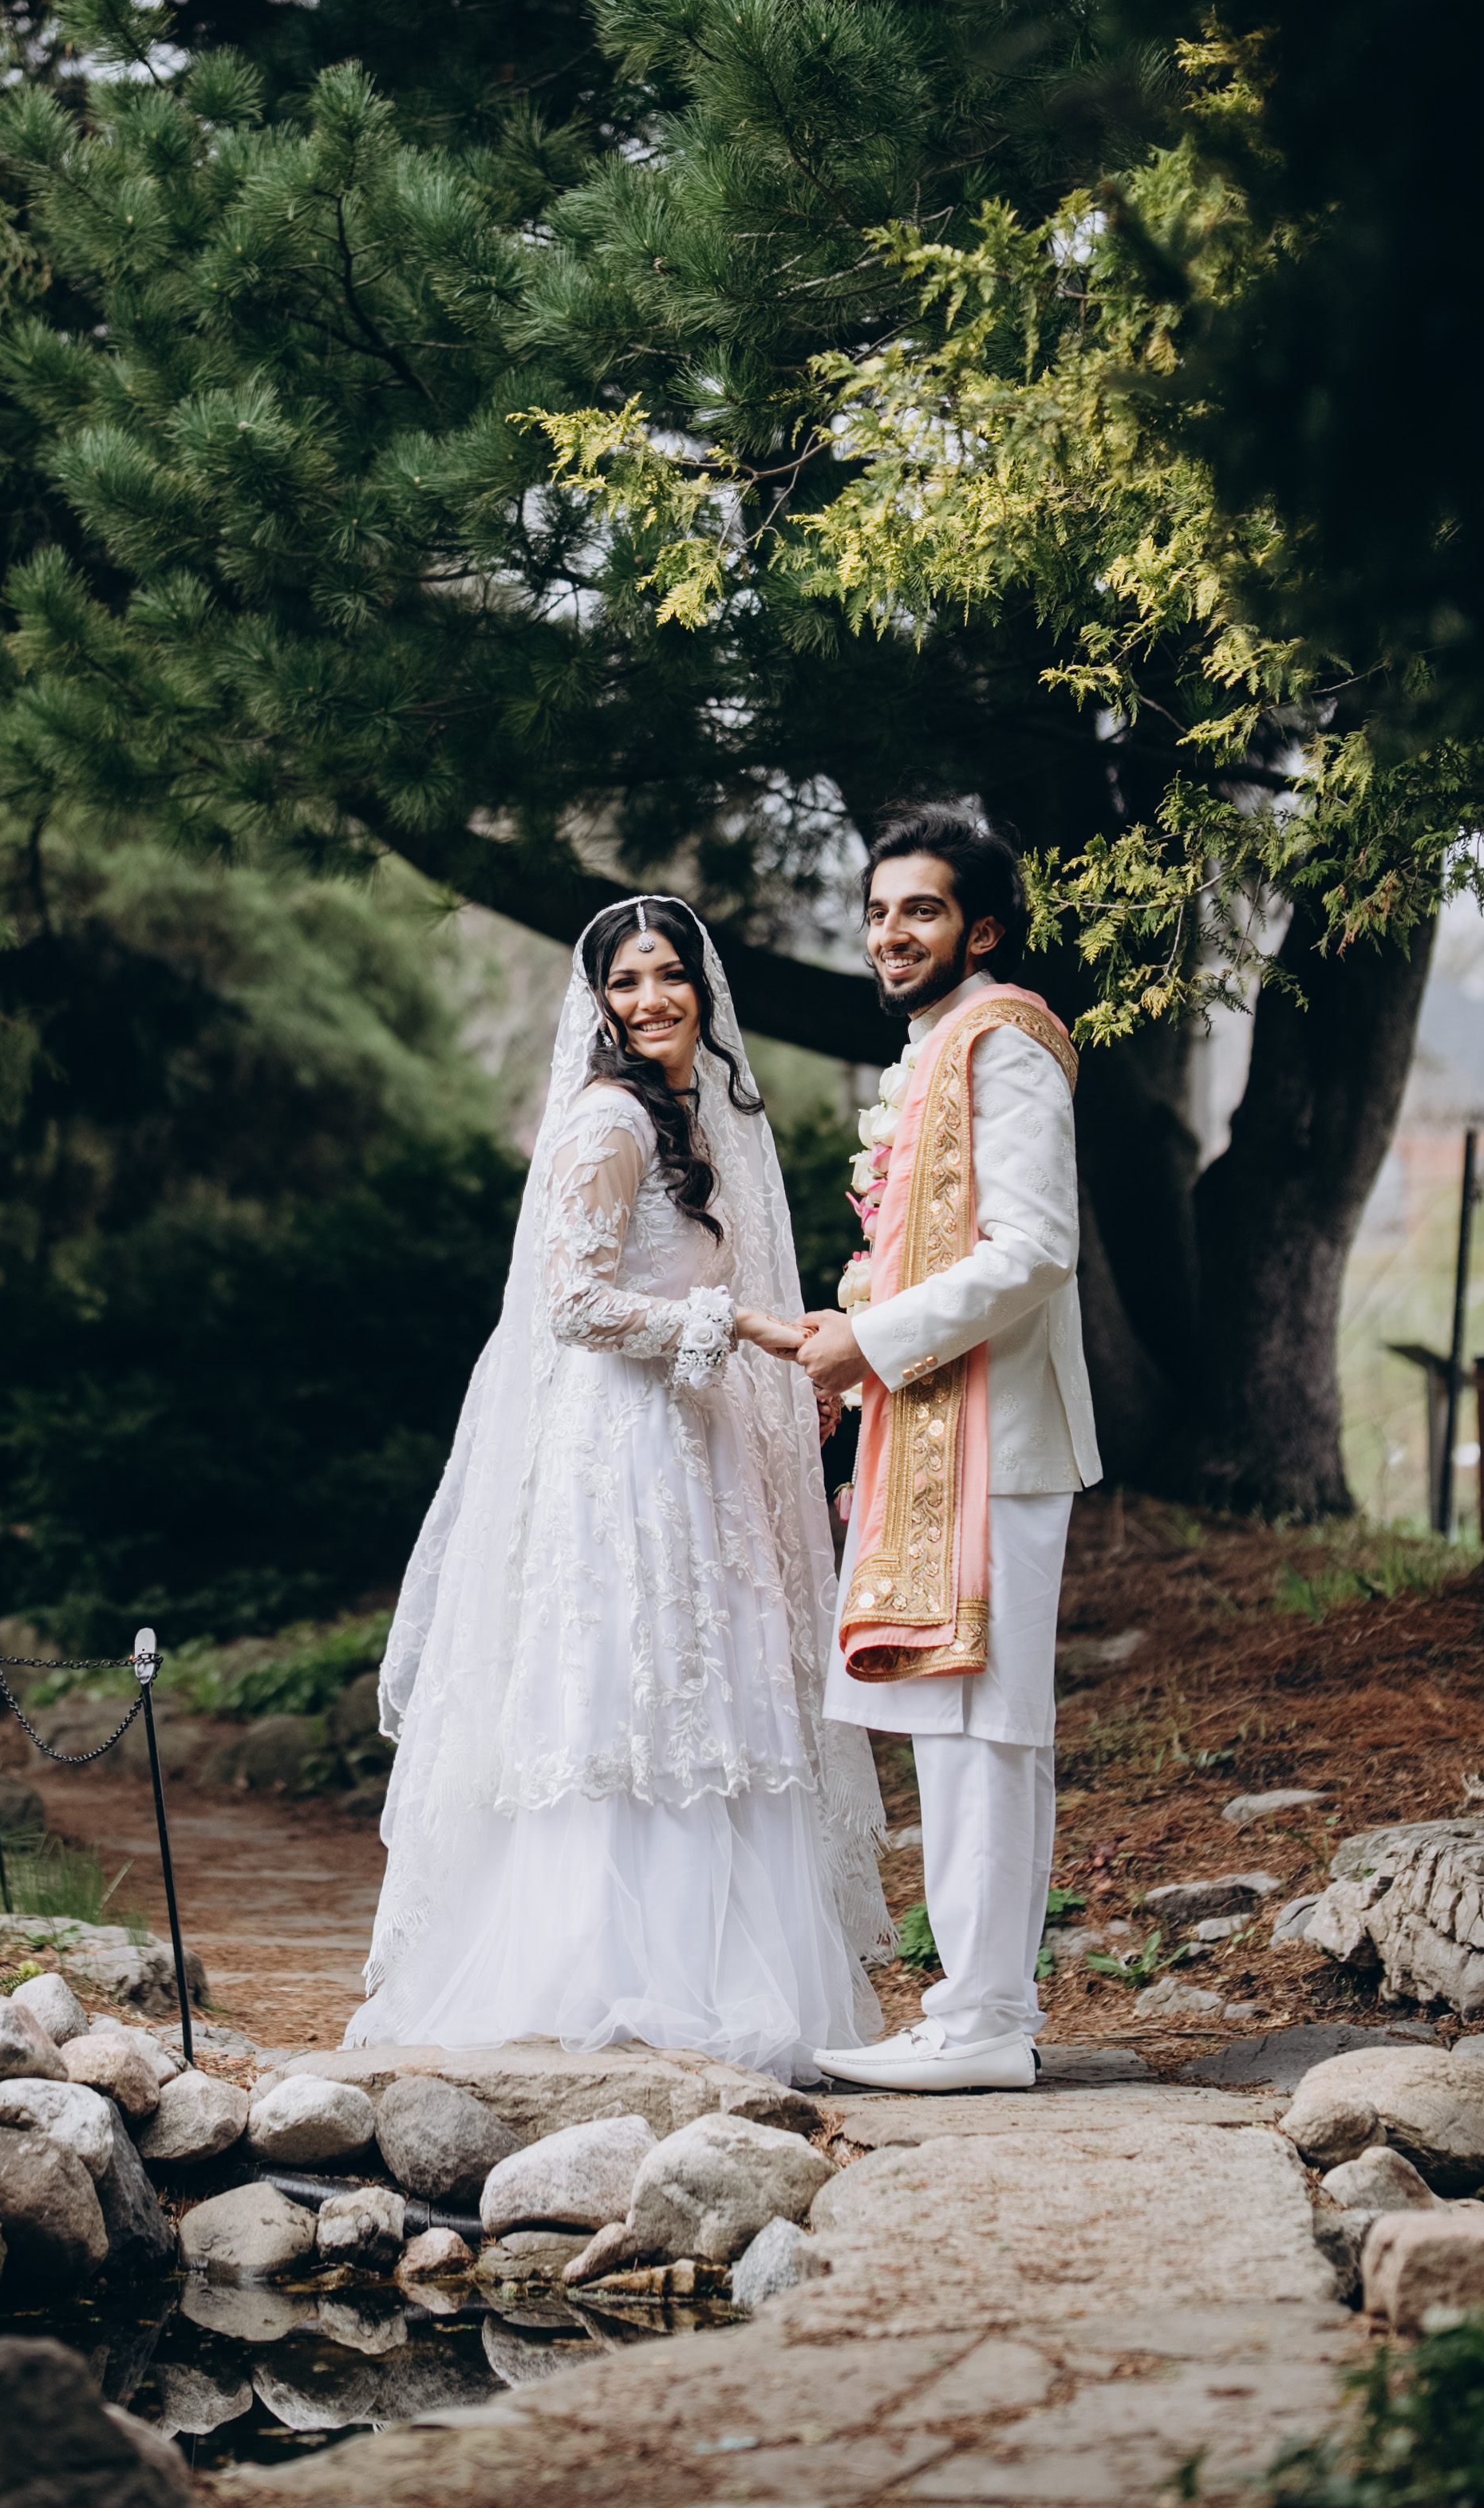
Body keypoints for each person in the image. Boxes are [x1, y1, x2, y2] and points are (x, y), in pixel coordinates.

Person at [349, 895, 890, 2079]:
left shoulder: (703, 1114)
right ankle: (600, 1970)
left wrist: (785, 1375)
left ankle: (717, 1967)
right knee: (631, 1684)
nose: (650, 1000)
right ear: (598, 1003)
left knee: (717, 1684)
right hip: (626, 1444)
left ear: (703, 985)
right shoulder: (608, 1121)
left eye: (668, 974)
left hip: (698, 1432)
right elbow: (574, 1303)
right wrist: (741, 1326)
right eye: (626, 982)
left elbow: (702, 1275)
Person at [781, 807, 1098, 2095]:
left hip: (998, 1441)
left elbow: (1033, 1249)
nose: (889, 932)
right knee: (956, 1731)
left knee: (986, 1732)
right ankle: (976, 2008)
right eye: (877, 911)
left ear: (981, 929)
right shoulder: (936, 1046)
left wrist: (867, 1339)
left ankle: (983, 2020)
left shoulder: (1002, 1041)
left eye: (919, 909)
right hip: (940, 1427)